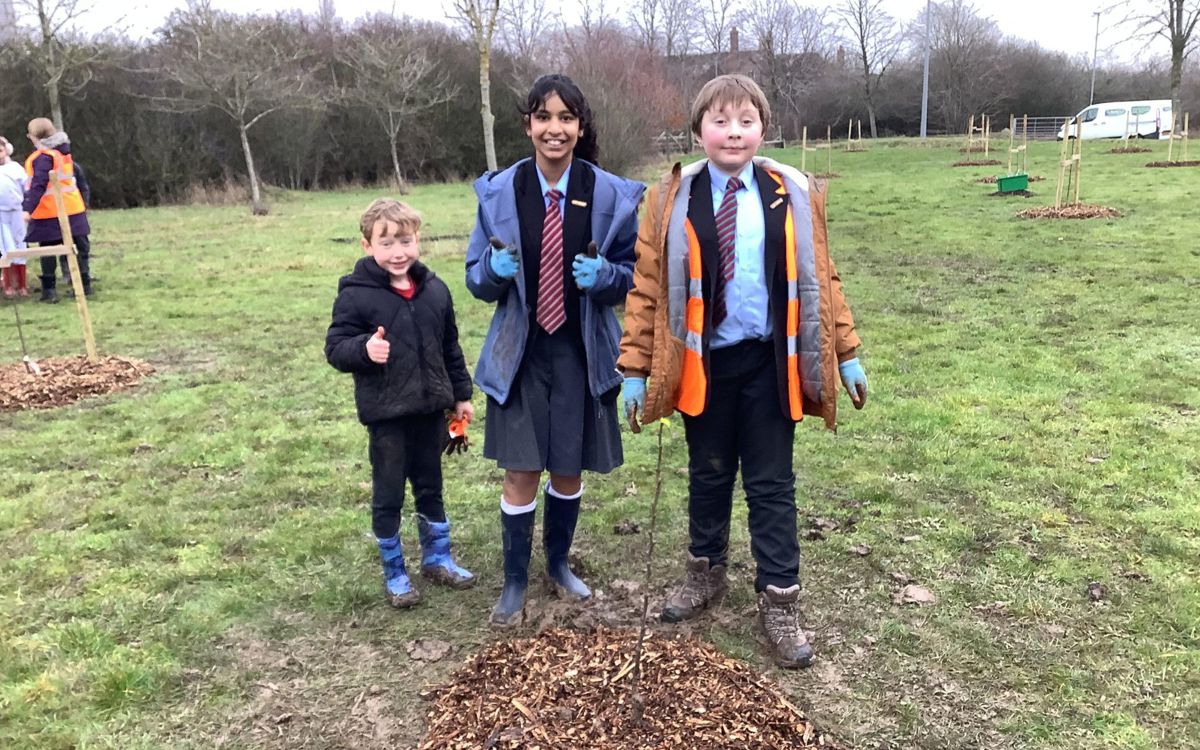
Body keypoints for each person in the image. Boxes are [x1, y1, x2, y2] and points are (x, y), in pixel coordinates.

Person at [618, 74, 868, 669]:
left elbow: (821, 280)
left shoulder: (793, 192)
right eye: (721, 120)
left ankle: (779, 600)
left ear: (763, 128)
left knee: (771, 484)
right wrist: (633, 367)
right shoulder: (669, 198)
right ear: (699, 128)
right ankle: (704, 575)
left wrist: (847, 351)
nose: (734, 132)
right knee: (707, 475)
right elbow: (647, 288)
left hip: (768, 363)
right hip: (703, 366)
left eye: (747, 120)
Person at [465, 74, 644, 627]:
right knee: (520, 469)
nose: (554, 129)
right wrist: (491, 274)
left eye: (566, 118)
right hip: (520, 352)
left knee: (567, 470)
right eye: (543, 117)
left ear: (580, 126)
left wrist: (608, 276)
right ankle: (515, 579)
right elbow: (475, 277)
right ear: (528, 125)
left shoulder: (610, 194)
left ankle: (559, 564)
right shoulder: (501, 193)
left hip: (580, 351)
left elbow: (638, 277)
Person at [325, 198, 476, 608]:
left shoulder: (435, 291)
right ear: (366, 246)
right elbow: (336, 347)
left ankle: (437, 558)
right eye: (386, 242)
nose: (398, 252)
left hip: (430, 411)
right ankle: (395, 572)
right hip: (387, 416)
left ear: (418, 240)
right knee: (389, 493)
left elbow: (450, 348)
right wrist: (362, 348)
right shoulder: (356, 297)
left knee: (431, 487)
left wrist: (461, 395)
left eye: (405, 241)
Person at [22, 117, 92, 303]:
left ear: (33, 136)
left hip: (49, 212)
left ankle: (50, 291)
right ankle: (84, 286)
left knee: (48, 251)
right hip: (73, 208)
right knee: (79, 248)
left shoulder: (43, 157)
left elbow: (38, 185)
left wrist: (28, 209)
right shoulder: (63, 152)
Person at [0, 137, 28, 297]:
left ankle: (22, 285)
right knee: (4, 247)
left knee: (20, 245)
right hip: (0, 214)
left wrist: (27, 210)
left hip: (17, 211)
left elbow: (27, 188)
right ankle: (8, 285)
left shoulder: (15, 168)